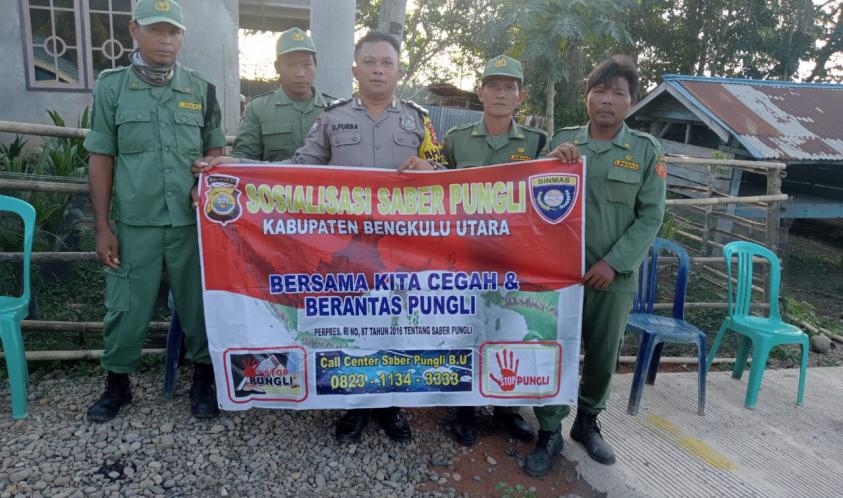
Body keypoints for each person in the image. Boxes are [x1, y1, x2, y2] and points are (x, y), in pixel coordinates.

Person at [194, 31, 445, 442]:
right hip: (348, 248)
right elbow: (296, 168)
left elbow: (449, 180)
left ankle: (390, 406)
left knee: (396, 323)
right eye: (369, 62)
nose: (378, 70)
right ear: (355, 70)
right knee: (356, 324)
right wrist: (230, 167)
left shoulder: (419, 121)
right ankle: (356, 406)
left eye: (386, 62)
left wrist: (430, 169)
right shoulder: (332, 118)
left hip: (400, 248)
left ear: (399, 71)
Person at [523, 55, 666, 476]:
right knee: (555, 349)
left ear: (631, 101)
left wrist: (613, 263)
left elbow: (651, 217)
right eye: (599, 91)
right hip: (560, 276)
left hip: (611, 277)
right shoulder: (564, 142)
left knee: (603, 356)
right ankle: (549, 430)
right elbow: (532, 200)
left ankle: (587, 422)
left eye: (617, 93)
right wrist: (550, 161)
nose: (607, 100)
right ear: (587, 97)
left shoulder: (645, 151)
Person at [83, 0, 226, 423]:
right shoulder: (112, 88)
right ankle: (117, 385)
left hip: (190, 225)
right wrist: (102, 226)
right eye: (156, 30)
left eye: (174, 32)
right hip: (135, 224)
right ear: (134, 30)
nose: (166, 40)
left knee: (199, 305)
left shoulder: (201, 89)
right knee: (125, 307)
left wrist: (205, 182)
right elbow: (101, 157)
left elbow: (215, 149)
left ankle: (203, 381)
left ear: (182, 36)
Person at [442, 54, 545, 446]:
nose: (501, 94)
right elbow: (437, 194)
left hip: (514, 259)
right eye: (494, 86)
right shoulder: (456, 140)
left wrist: (566, 158)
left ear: (521, 96)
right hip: (467, 257)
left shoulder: (537, 143)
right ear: (480, 92)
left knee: (510, 331)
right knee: (467, 331)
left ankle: (508, 410)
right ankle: (465, 409)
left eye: (509, 88)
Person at [231, 28, 334, 161]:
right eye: (291, 65)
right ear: (277, 67)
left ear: (315, 65)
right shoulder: (258, 108)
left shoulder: (334, 109)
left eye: (307, 64)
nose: (300, 73)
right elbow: (244, 155)